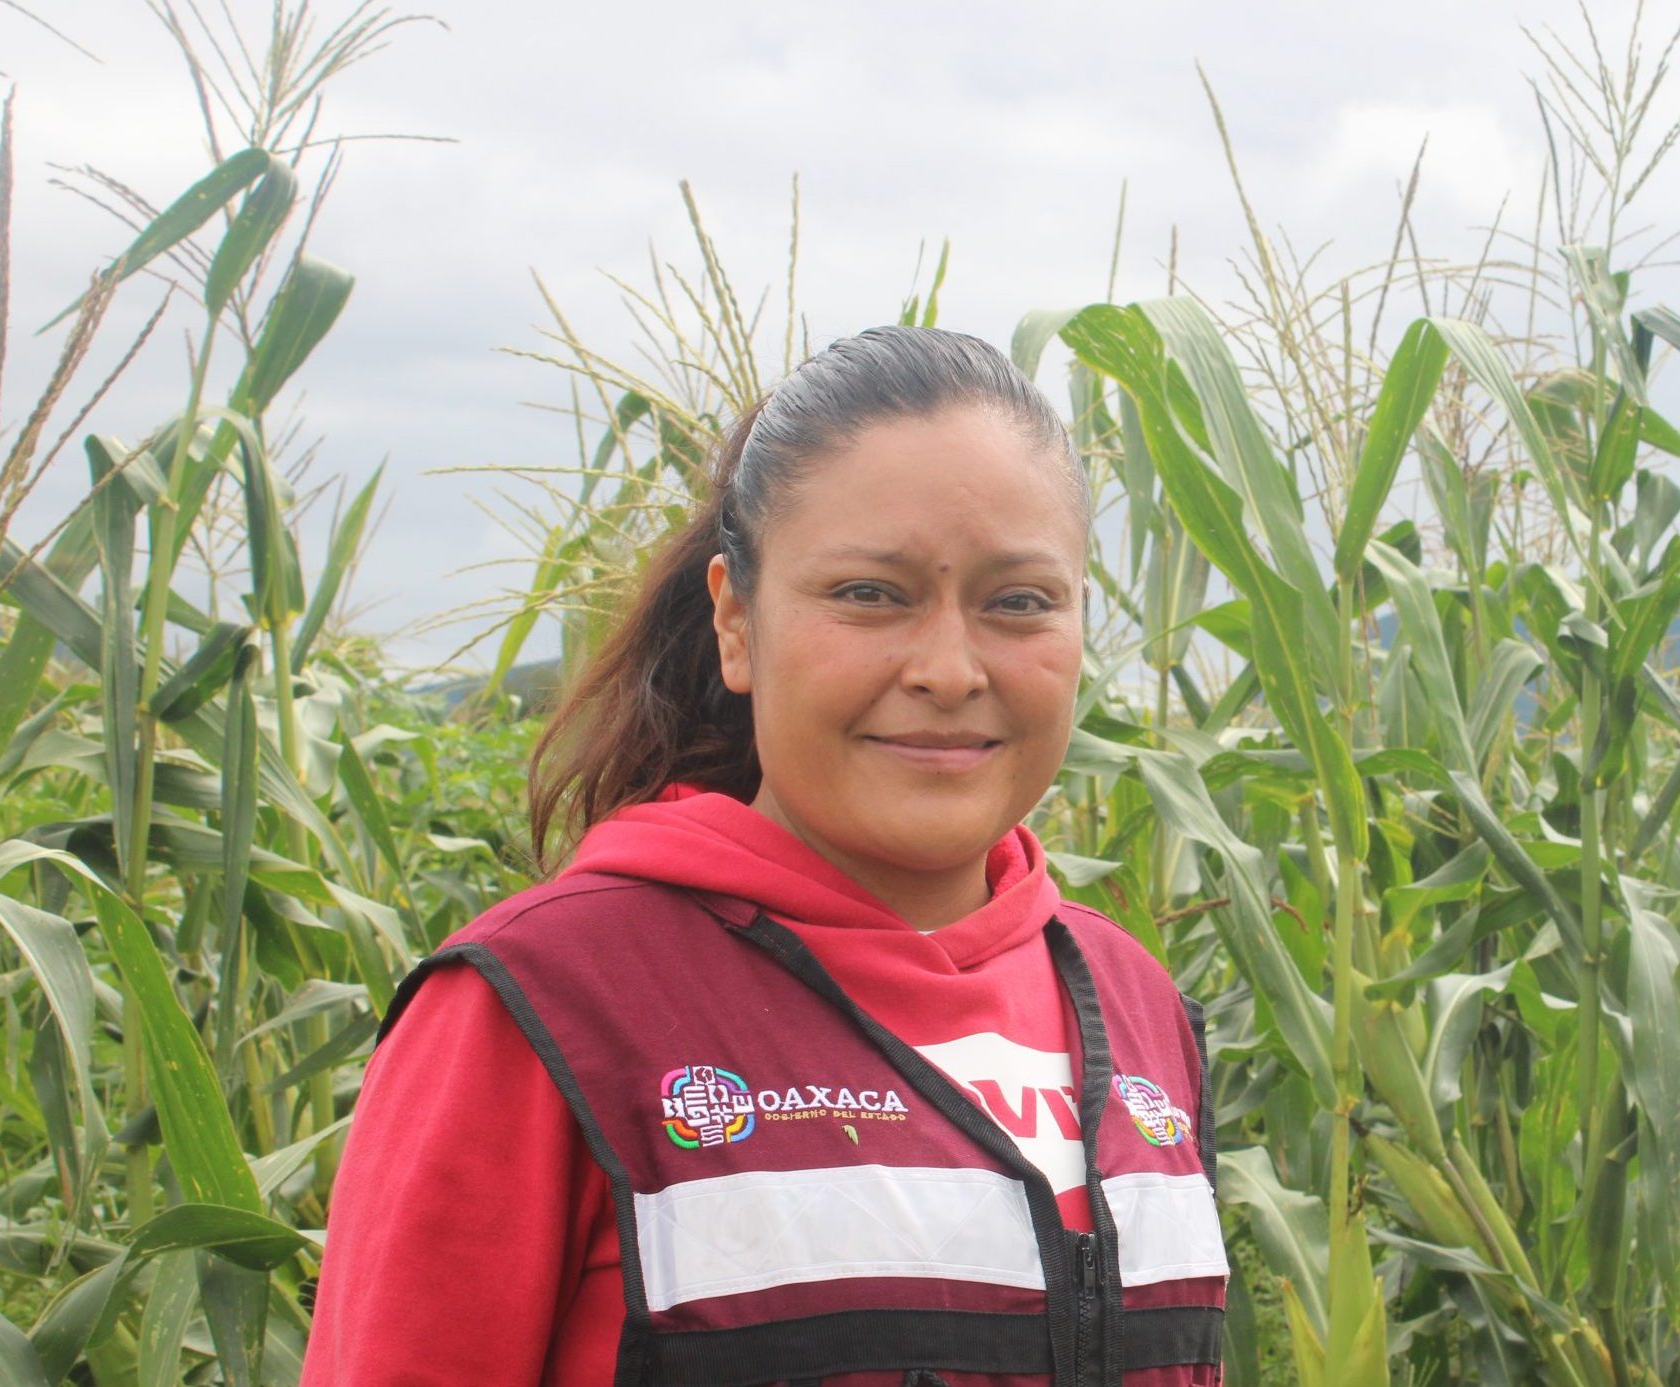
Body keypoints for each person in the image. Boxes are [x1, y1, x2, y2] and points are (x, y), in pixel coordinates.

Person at [301, 327, 1227, 1386]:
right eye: (869, 594)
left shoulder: (1135, 1003)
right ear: (736, 622)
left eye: (1018, 601)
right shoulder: (546, 1008)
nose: (948, 668)